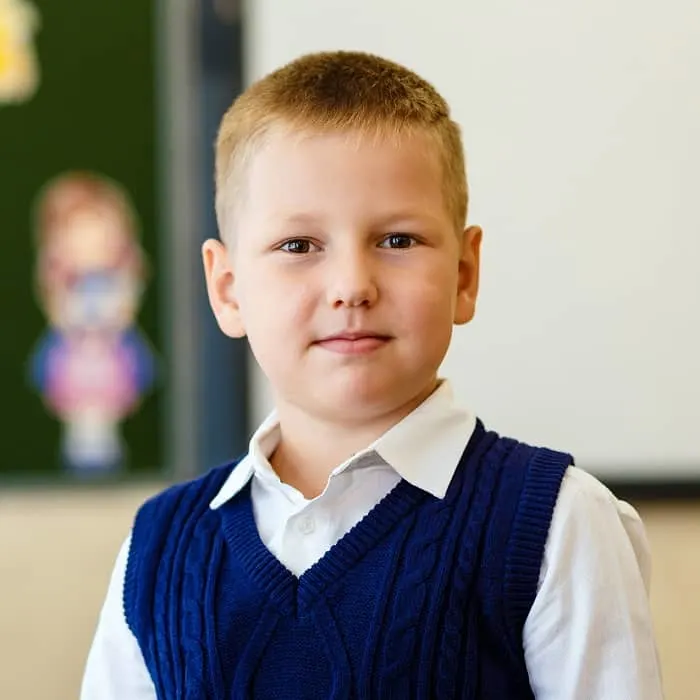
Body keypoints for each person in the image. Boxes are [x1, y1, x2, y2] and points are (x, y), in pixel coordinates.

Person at [81, 50, 663, 699]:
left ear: (465, 276)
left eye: (397, 241)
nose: (352, 286)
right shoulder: (160, 548)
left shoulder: (559, 523)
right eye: (298, 246)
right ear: (228, 288)